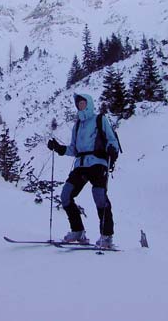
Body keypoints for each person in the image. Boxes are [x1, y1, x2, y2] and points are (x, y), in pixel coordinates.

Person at [47, 93, 119, 248]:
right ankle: (78, 231)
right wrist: (59, 148)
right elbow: (73, 149)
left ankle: (106, 236)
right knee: (66, 195)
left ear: (89, 104)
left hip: (98, 163)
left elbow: (112, 139)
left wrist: (112, 149)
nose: (80, 106)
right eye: (78, 104)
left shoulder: (100, 119)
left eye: (83, 103)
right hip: (80, 165)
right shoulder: (77, 125)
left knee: (99, 195)